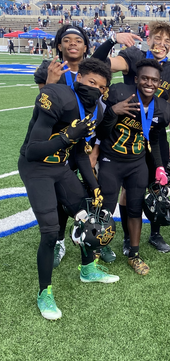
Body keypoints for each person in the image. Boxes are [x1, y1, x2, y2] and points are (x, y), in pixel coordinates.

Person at [18, 58, 118, 320]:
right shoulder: (56, 95)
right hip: (36, 168)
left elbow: (81, 153)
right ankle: (45, 292)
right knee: (50, 232)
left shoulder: (96, 109)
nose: (95, 89)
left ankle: (88, 269)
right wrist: (66, 136)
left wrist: (94, 186)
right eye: (91, 82)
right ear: (79, 78)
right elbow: (33, 151)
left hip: (60, 166)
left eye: (101, 87)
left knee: (89, 214)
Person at [93, 21, 170, 253]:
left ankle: (155, 233)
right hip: (127, 130)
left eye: (167, 41)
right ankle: (126, 237)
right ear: (148, 39)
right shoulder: (134, 56)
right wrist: (113, 39)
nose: (161, 44)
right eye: (157, 38)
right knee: (128, 189)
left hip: (155, 133)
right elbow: (98, 64)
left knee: (157, 184)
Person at [97, 59, 170, 275]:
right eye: (145, 78)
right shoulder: (120, 93)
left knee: (135, 209)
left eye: (154, 80)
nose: (149, 83)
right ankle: (97, 250)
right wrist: (113, 111)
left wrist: (159, 166)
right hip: (111, 160)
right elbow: (101, 131)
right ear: (136, 79)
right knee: (105, 208)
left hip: (137, 163)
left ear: (159, 83)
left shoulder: (162, 108)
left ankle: (134, 255)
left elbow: (154, 139)